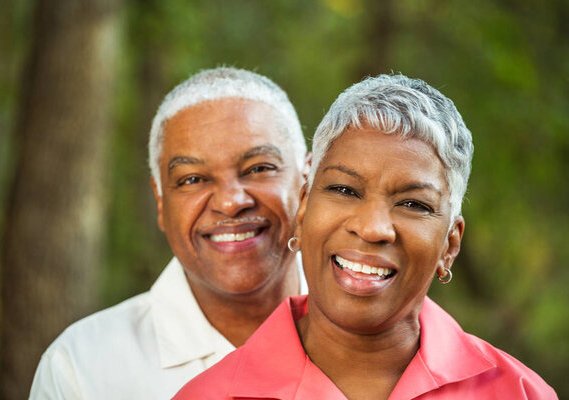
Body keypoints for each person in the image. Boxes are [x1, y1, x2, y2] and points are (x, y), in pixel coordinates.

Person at [173, 74, 558, 399]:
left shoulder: (519, 391)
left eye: (414, 204)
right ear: (303, 209)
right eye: (344, 191)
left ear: (449, 245)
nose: (373, 228)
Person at [29, 67, 310, 399]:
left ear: (308, 179)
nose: (231, 202)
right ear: (160, 200)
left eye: (259, 169)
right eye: (192, 179)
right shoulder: (81, 367)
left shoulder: (379, 335)